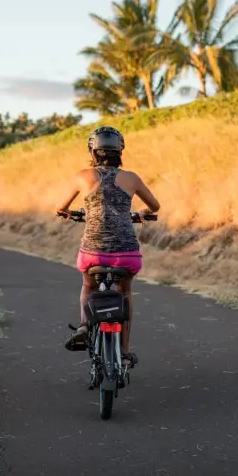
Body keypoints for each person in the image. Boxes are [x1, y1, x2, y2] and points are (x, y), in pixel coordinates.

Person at [56, 126, 160, 367]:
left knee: (87, 286)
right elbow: (154, 206)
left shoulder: (83, 176)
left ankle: (83, 324)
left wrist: (68, 212)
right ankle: (123, 352)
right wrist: (140, 213)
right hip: (126, 254)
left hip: (93, 253)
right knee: (125, 293)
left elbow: (61, 207)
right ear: (120, 150)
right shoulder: (131, 178)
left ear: (92, 151)